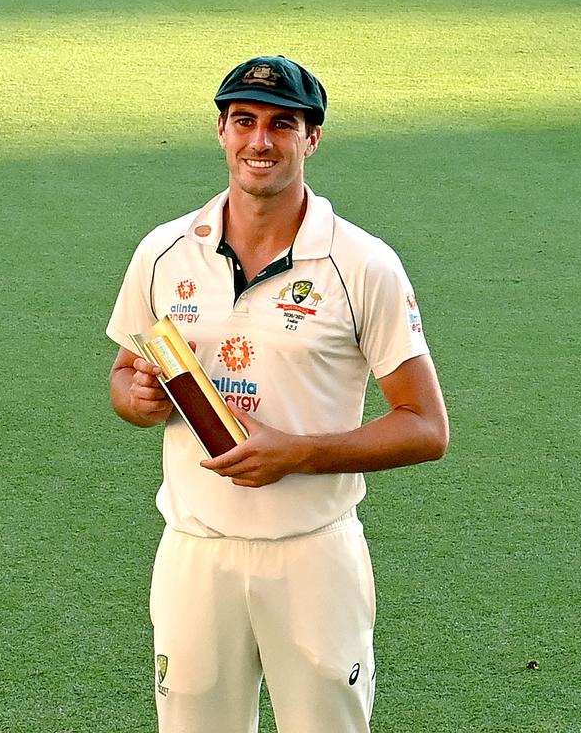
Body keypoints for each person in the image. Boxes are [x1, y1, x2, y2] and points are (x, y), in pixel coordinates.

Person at [106, 54, 449, 733]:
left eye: (282, 125)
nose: (260, 141)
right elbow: (124, 376)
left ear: (311, 138)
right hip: (194, 550)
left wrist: (297, 453)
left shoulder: (363, 265)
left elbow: (426, 427)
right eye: (245, 121)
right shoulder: (164, 251)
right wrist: (136, 399)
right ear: (222, 130)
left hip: (312, 554)